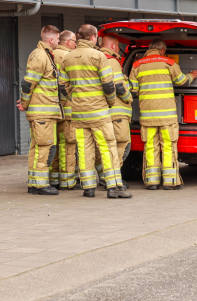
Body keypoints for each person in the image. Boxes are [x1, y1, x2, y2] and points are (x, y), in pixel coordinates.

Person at [58, 25, 132, 199]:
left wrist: (75, 99)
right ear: (93, 37)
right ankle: (114, 187)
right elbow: (108, 85)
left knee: (85, 150)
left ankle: (88, 188)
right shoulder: (99, 56)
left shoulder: (68, 58)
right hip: (99, 113)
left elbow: (63, 86)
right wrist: (110, 102)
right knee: (108, 148)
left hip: (79, 114)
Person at [128, 39, 197, 190]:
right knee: (168, 146)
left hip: (147, 117)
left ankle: (152, 182)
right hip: (167, 117)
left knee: (150, 147)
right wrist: (191, 75)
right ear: (162, 50)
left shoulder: (137, 65)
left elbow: (132, 91)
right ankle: (170, 182)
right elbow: (182, 81)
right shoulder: (169, 63)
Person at [16, 25, 63, 196]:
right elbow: (28, 83)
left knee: (38, 148)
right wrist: (24, 103)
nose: (59, 41)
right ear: (51, 39)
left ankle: (35, 183)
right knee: (44, 148)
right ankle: (41, 185)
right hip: (43, 113)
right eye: (58, 38)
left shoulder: (46, 55)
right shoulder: (40, 55)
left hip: (45, 112)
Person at [94, 35, 133, 187]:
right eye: (117, 46)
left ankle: (106, 176)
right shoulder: (112, 61)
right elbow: (119, 87)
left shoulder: (96, 58)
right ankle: (112, 177)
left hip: (102, 111)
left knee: (104, 146)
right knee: (122, 144)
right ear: (112, 46)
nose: (118, 50)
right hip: (118, 112)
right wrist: (130, 98)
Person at [50, 30, 79, 190]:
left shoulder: (50, 54)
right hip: (67, 110)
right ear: (68, 42)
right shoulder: (68, 57)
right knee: (68, 145)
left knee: (54, 145)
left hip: (52, 110)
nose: (76, 45)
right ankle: (67, 181)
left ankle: (54, 179)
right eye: (74, 41)